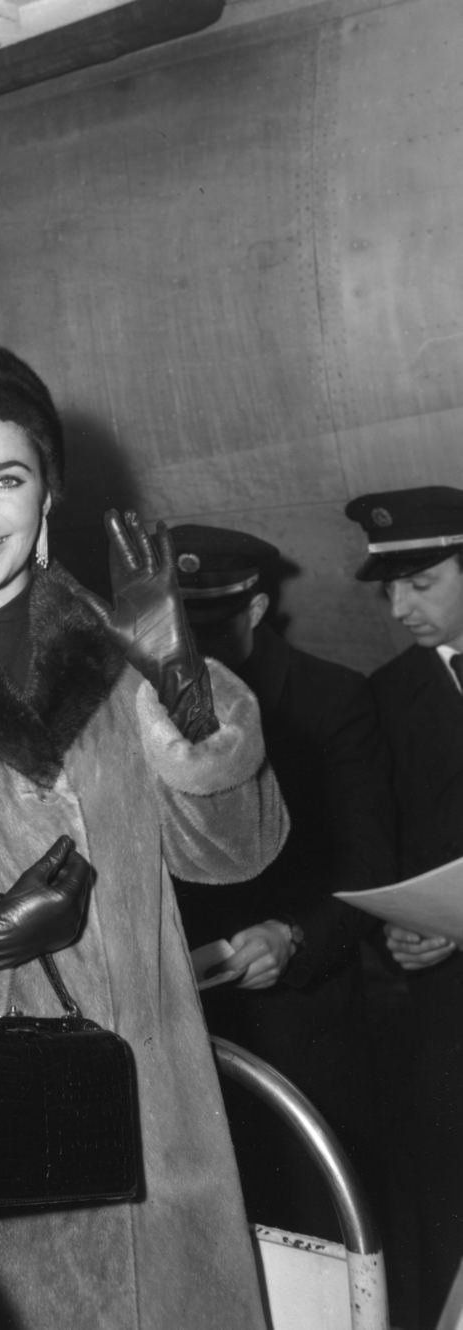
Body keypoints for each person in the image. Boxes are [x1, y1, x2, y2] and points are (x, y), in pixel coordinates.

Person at [0, 342, 289, 1330]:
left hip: (154, 1125)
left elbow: (234, 853)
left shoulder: (129, 657)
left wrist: (186, 701)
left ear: (49, 493)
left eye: (9, 478)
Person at [168, 523, 396, 1242]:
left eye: (210, 625)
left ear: (257, 610)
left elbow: (370, 870)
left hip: (307, 1023)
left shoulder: (332, 700)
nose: (193, 647)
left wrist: (293, 938)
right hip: (192, 1024)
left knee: (325, 1232)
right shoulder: (147, 712)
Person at [347, 484, 463, 1327]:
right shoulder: (387, 699)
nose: (401, 608)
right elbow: (383, 851)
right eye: (390, 589)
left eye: (421, 582)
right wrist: (405, 930)